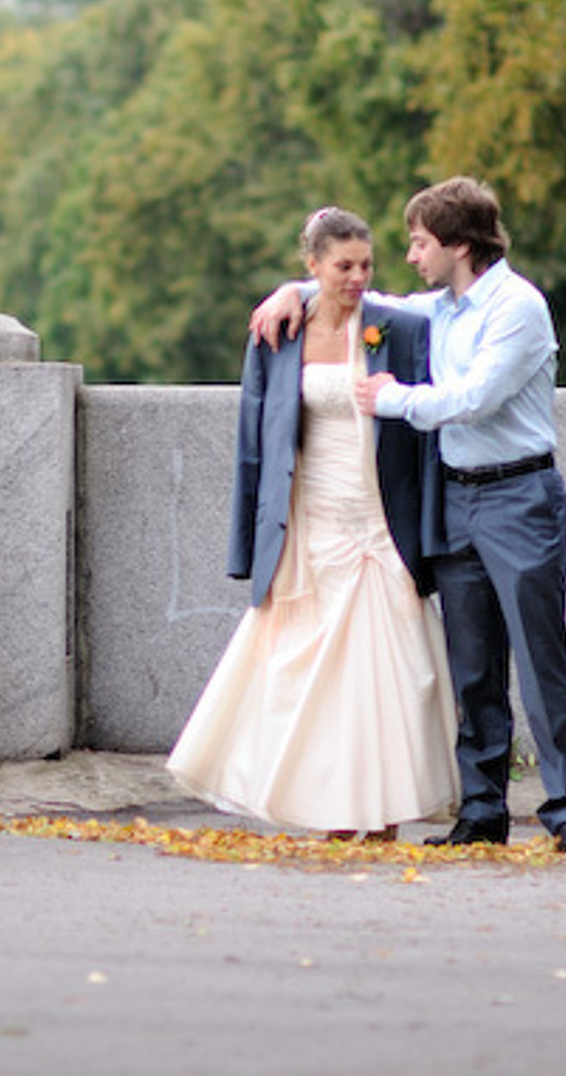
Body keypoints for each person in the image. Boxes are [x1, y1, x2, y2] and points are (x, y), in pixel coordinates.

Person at [252, 176, 566, 853]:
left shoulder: (518, 307)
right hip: (457, 501)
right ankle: (483, 813)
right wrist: (292, 291)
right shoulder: (441, 309)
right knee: (473, 667)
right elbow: (362, 296)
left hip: (519, 497)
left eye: (419, 243)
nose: (410, 256)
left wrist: (391, 398)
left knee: (540, 659)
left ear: (458, 245)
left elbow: (475, 397)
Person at [167, 207, 459, 839]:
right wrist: (250, 539)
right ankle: (329, 807)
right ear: (314, 266)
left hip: (381, 515)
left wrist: (430, 530)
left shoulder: (399, 328)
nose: (357, 278)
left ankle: (385, 809)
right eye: (343, 266)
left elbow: (427, 441)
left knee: (391, 667)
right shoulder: (278, 333)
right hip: (309, 515)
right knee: (309, 667)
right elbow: (254, 441)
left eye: (366, 265)